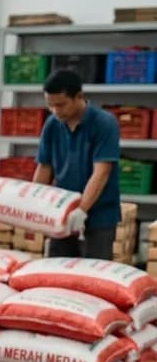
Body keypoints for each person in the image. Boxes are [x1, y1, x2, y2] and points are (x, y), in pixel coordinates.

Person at [34, 69, 120, 259]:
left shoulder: (104, 123)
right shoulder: (52, 125)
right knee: (58, 270)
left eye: (61, 105)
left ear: (79, 96)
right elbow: (44, 167)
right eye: (50, 106)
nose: (56, 111)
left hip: (98, 216)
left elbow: (101, 172)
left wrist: (82, 209)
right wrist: (33, 205)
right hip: (61, 211)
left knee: (93, 274)